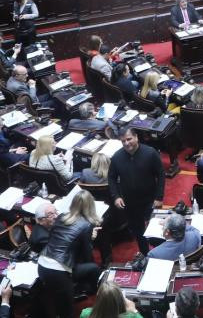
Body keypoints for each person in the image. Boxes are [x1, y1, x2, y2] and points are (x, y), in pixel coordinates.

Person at [36, 191, 101, 317]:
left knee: (92, 269)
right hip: (58, 272)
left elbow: (53, 237)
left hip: (42, 264)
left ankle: (76, 289)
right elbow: (87, 255)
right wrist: (90, 240)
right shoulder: (86, 225)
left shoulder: (61, 217)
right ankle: (82, 290)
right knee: (67, 312)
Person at [109, 127, 164, 255]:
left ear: (136, 137)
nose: (127, 143)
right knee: (138, 232)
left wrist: (159, 197)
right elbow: (111, 177)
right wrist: (116, 196)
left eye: (129, 139)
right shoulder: (117, 157)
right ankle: (145, 255)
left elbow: (160, 174)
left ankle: (160, 254)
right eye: (123, 141)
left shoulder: (150, 153)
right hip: (130, 202)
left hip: (150, 200)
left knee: (156, 229)